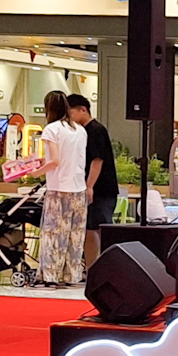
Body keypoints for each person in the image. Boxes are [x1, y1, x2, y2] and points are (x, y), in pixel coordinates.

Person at [35, 90, 89, 286]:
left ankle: (50, 275)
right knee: (75, 235)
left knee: (53, 233)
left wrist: (35, 172)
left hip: (58, 187)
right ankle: (71, 275)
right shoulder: (80, 130)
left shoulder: (51, 129)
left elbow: (55, 161)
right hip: (79, 187)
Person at [68, 94, 118, 267]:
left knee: (97, 229)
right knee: (89, 229)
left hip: (101, 189)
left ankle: (103, 268)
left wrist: (89, 186)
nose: (70, 118)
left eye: (71, 113)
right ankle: (91, 268)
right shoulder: (81, 132)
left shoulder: (96, 130)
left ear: (83, 110)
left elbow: (97, 160)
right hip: (91, 188)